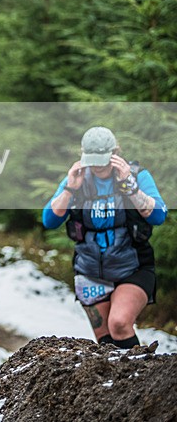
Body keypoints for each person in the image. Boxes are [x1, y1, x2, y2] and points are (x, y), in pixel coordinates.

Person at [42, 126, 167, 349]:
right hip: (90, 271)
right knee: (106, 341)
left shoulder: (137, 176)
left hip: (133, 267)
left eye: (104, 159)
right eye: (93, 160)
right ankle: (117, 383)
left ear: (115, 153)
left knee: (119, 324)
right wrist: (70, 189)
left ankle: (140, 376)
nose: (99, 166)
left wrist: (129, 186)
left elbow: (158, 216)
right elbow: (50, 220)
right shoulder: (77, 179)